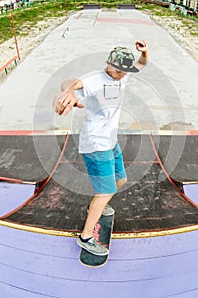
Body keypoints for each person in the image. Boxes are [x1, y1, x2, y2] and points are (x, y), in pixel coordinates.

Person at [53, 40, 149, 256]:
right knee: (106, 190)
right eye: (119, 70)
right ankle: (86, 238)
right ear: (109, 64)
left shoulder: (123, 74)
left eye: (126, 71)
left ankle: (97, 205)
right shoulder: (95, 79)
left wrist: (145, 52)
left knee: (120, 180)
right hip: (96, 144)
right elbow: (69, 82)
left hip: (110, 141)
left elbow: (142, 64)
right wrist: (68, 93)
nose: (123, 75)